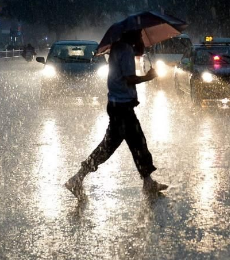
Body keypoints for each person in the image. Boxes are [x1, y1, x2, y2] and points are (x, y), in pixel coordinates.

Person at [65, 30, 168, 200]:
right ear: (131, 35)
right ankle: (77, 178)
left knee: (128, 144)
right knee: (128, 144)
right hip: (122, 107)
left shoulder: (117, 48)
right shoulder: (125, 50)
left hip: (117, 105)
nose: (141, 37)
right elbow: (129, 79)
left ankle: (79, 177)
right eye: (139, 35)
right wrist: (148, 77)